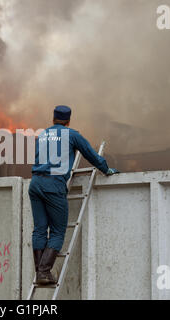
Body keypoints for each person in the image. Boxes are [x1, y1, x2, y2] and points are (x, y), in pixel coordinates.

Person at [29, 105, 119, 285]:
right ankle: (44, 272)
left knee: (39, 229)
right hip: (53, 185)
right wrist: (105, 169)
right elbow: (91, 155)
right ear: (68, 121)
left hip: (35, 183)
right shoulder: (72, 135)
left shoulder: (43, 135)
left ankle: (40, 272)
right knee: (57, 231)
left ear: (53, 119)